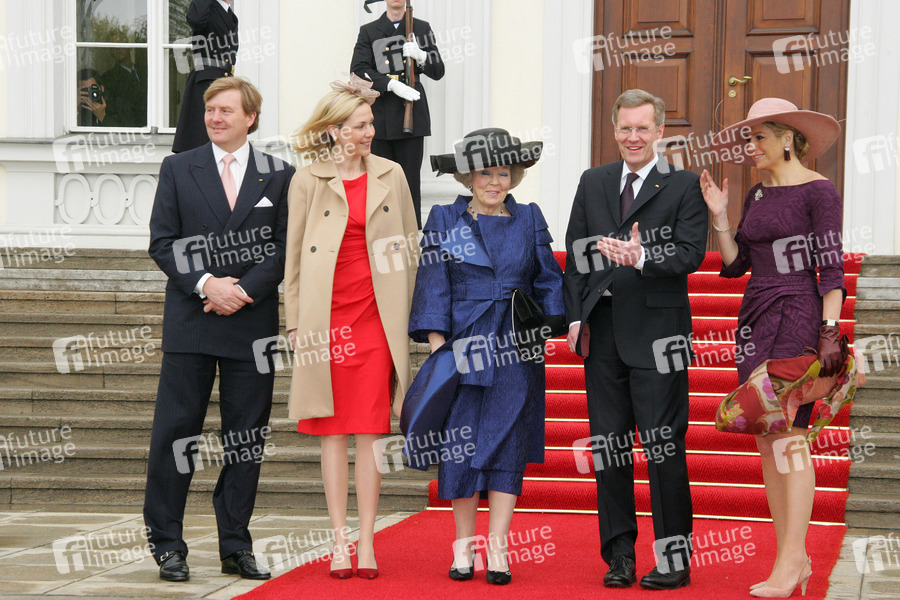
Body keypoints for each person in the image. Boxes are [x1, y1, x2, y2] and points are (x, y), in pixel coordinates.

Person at [145, 77, 294, 582]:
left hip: (250, 323)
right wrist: (207, 284)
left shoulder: (279, 174)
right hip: (192, 319)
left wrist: (243, 290)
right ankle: (167, 545)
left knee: (246, 439)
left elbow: (284, 246)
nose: (214, 117)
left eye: (226, 110)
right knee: (175, 435)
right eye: (210, 109)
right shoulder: (178, 167)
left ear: (250, 117)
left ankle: (235, 544)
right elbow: (163, 241)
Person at [405, 128, 564, 585]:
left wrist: (549, 325)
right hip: (463, 345)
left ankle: (498, 548)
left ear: (514, 177)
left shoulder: (529, 217)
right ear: (468, 177)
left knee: (508, 443)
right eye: (485, 173)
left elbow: (548, 279)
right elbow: (433, 280)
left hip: (515, 345)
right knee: (461, 446)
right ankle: (462, 547)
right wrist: (438, 347)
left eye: (504, 173)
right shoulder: (445, 217)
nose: (495, 182)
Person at [563, 89, 708, 590]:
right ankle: (619, 556)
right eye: (625, 128)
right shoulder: (594, 181)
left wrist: (641, 257)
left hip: (659, 337)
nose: (633, 137)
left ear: (660, 131)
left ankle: (673, 559)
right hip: (602, 335)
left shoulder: (683, 184)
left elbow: (691, 254)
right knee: (610, 450)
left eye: (642, 128)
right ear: (614, 130)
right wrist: (576, 316)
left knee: (664, 448)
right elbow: (576, 254)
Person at [702, 98, 846, 598]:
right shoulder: (758, 193)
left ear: (787, 138)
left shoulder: (819, 191)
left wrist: (830, 330)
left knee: (790, 438)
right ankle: (791, 559)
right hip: (755, 317)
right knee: (767, 439)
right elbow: (736, 263)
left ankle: (793, 562)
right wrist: (720, 217)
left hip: (799, 315)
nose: (751, 146)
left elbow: (831, 266)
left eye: (758, 137)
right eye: (749, 138)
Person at [284, 75, 419, 580]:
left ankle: (366, 543)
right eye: (361, 125)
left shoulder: (392, 174)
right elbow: (294, 260)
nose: (370, 132)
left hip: (377, 319)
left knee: (370, 431)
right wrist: (294, 322)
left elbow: (411, 246)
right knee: (332, 432)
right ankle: (339, 542)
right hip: (325, 318)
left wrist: (410, 317)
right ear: (335, 130)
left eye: (370, 123)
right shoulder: (307, 180)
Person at [351, 0, 445, 227]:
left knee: (409, 180)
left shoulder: (421, 27)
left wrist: (422, 56)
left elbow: (438, 71)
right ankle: (379, 231)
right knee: (378, 179)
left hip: (411, 111)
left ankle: (410, 233)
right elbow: (359, 69)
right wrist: (390, 85)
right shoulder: (369, 31)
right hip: (380, 115)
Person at [173, 0, 239, 152]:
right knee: (201, 144)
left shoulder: (230, 15)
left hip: (224, 81)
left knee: (223, 144)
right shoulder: (207, 8)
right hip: (206, 83)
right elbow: (195, 19)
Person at [101, 40, 147, 127]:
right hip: (126, 128)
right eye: (113, 47)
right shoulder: (108, 78)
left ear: (129, 47)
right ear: (111, 52)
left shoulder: (145, 71)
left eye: (120, 44)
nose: (117, 49)